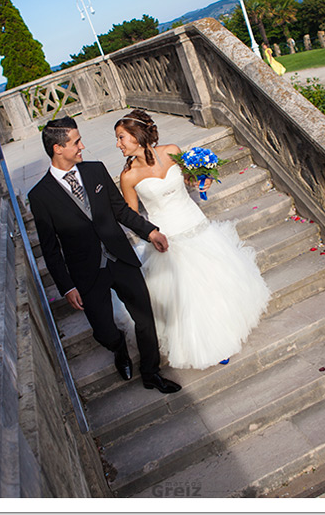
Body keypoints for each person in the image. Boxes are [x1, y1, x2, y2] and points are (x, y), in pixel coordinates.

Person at [27, 116, 181, 394]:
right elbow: (50, 248)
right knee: (104, 331)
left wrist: (151, 232)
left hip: (121, 259)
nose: (82, 146)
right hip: (87, 272)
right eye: (76, 142)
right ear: (58, 149)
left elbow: (120, 211)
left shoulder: (96, 171)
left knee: (145, 319)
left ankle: (151, 372)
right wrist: (67, 286)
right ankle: (118, 347)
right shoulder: (40, 195)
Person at [114, 109, 270, 370]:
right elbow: (131, 217)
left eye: (121, 137)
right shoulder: (128, 176)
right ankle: (208, 344)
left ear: (137, 135)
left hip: (196, 225)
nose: (118, 144)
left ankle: (227, 330)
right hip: (167, 238)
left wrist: (203, 179)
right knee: (188, 296)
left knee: (215, 283)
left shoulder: (171, 150)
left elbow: (189, 178)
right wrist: (150, 235)